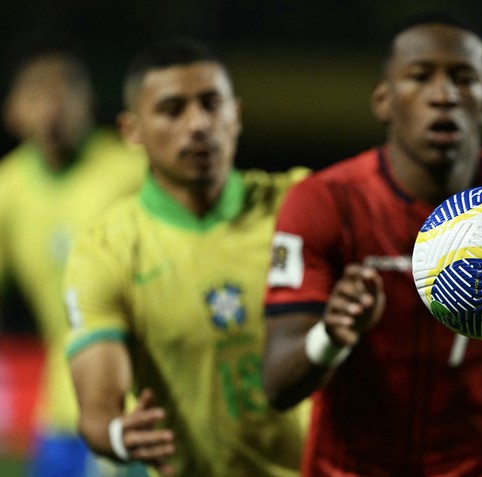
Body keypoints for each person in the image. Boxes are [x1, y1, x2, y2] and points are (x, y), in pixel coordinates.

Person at [263, 13, 482, 477]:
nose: (444, 95)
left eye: (463, 79)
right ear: (384, 101)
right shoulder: (324, 204)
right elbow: (277, 386)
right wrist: (331, 334)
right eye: (420, 76)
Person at [63, 38, 309, 476]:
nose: (198, 124)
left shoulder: (301, 206)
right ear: (131, 132)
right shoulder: (108, 250)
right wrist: (119, 432)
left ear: (237, 114)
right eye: (173, 109)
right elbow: (98, 407)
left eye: (212, 104)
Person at [0, 49, 148, 476]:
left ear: (90, 104)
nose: (52, 111)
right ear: (13, 112)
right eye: (38, 98)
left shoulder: (133, 171)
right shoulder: (9, 190)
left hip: (136, 404)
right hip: (61, 409)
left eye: (64, 96)